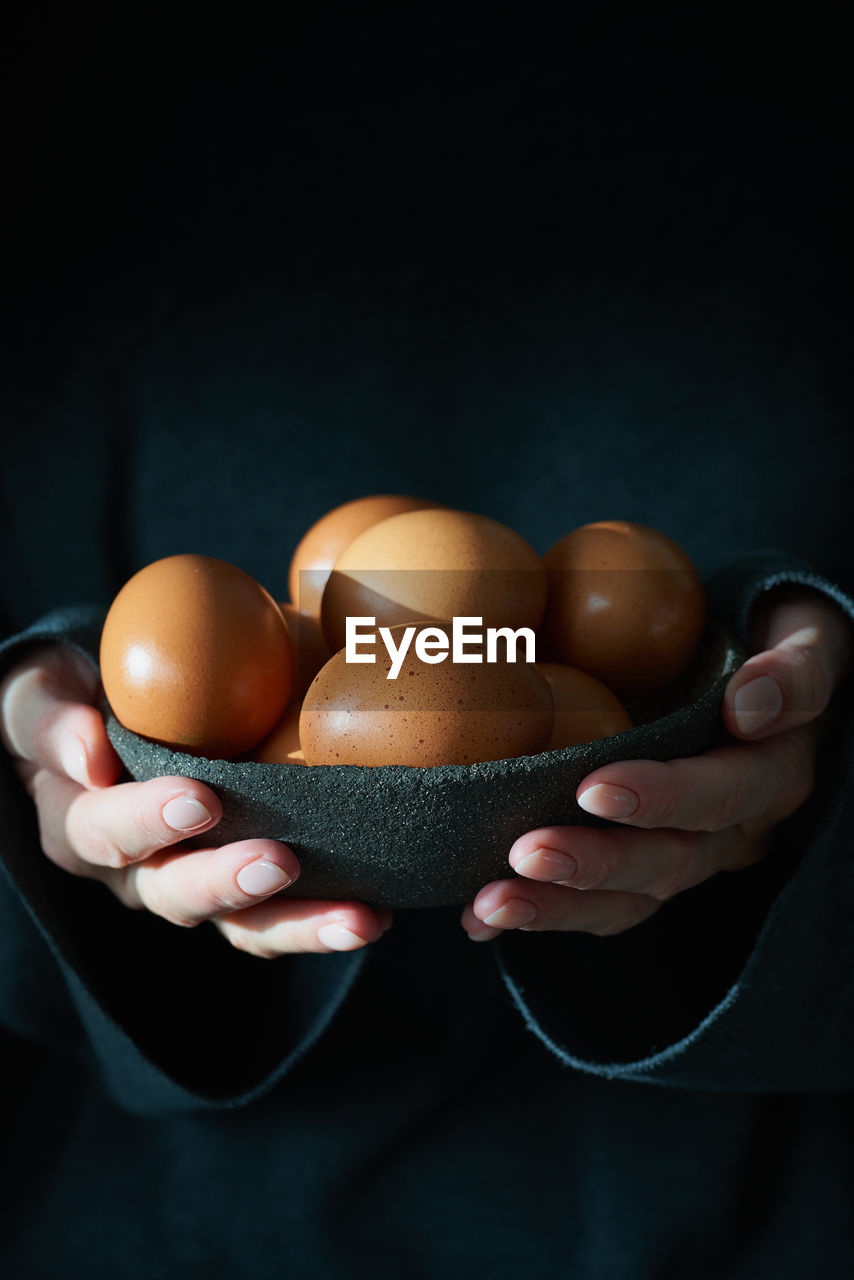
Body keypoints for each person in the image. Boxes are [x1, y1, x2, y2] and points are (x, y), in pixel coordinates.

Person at [2, 11, 853, 1278]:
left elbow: (639, 651)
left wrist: (811, 769)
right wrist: (56, 766)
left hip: (752, 1212)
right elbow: (80, 648)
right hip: (186, 1225)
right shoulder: (70, 108)